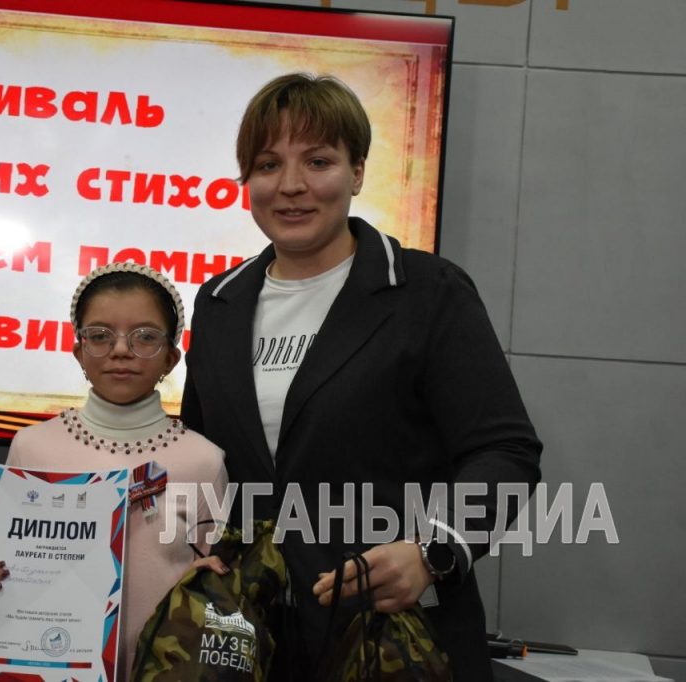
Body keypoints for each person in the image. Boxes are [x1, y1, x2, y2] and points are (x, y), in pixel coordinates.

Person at [180, 73, 543, 680]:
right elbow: (202, 457)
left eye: (318, 161)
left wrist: (433, 551)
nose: (290, 185)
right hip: (254, 643)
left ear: (357, 172)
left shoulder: (428, 291)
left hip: (396, 640)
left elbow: (506, 452)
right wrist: (197, 545)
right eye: (268, 164)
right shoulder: (219, 302)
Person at [0, 262, 229, 681]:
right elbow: (3, 583)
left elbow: (220, 595)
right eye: (100, 336)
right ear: (78, 351)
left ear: (171, 358)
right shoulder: (33, 446)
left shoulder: (203, 460)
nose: (120, 350)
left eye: (144, 337)